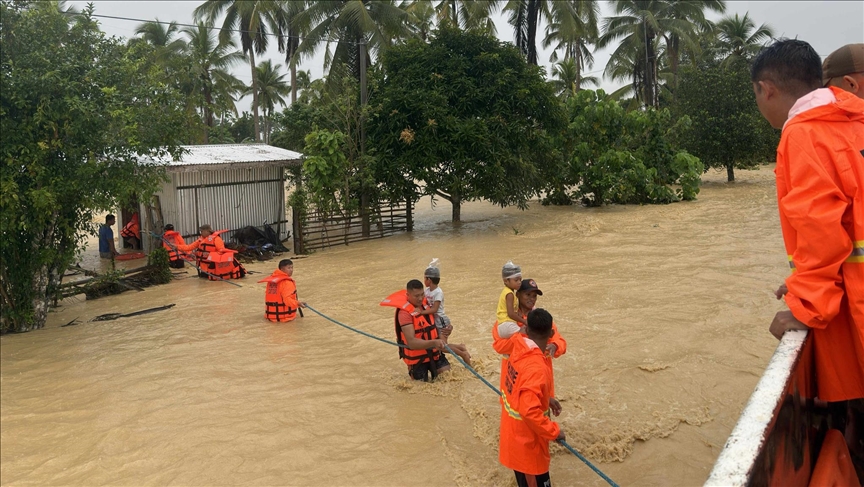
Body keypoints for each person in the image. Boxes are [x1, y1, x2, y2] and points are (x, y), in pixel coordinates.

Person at [751, 38, 864, 402]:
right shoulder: (853, 121)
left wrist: (807, 306)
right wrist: (802, 282)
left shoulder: (803, 133)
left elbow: (822, 229)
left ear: (765, 89)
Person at [499, 308, 565, 487]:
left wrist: (545, 398)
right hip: (528, 447)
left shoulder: (518, 347)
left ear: (526, 330)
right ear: (551, 333)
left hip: (513, 437)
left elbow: (518, 388)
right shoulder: (536, 367)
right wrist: (554, 431)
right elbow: (529, 412)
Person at [381, 279, 465, 382]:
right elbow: (411, 342)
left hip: (435, 354)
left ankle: (460, 349)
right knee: (420, 387)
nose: (420, 298)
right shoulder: (404, 314)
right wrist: (434, 342)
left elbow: (440, 320)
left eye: (422, 294)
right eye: (416, 296)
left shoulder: (428, 304)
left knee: (450, 380)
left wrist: (448, 327)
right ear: (408, 295)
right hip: (418, 360)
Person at [412, 259, 472, 364]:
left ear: (429, 280)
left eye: (425, 278)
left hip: (441, 321)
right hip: (435, 320)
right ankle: (461, 347)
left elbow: (434, 309)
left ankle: (463, 354)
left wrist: (421, 313)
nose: (424, 281)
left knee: (442, 346)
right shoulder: (427, 291)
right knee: (442, 345)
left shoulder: (438, 292)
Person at [178, 224, 246, 280]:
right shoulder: (200, 240)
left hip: (213, 268)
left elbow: (221, 251)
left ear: (207, 231)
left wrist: (210, 254)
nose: (200, 233)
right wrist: (176, 247)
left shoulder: (217, 239)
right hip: (203, 268)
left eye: (202, 231)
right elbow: (189, 247)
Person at [497, 261, 527, 337]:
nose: (519, 282)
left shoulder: (506, 291)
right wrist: (524, 321)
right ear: (506, 281)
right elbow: (510, 314)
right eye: (516, 280)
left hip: (502, 325)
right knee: (526, 335)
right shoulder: (510, 294)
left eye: (520, 279)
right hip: (507, 325)